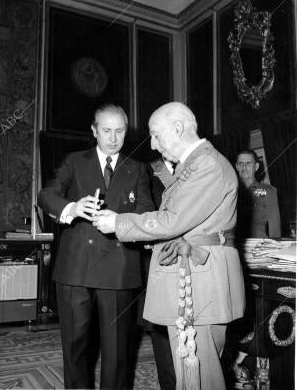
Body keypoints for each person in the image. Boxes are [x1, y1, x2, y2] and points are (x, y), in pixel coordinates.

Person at [93, 102, 246, 390]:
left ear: (177, 128)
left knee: (200, 375)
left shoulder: (207, 164)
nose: (152, 144)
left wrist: (120, 223)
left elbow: (173, 220)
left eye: (156, 135)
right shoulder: (193, 164)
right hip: (194, 279)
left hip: (200, 284)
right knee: (192, 371)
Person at [38, 104, 154, 389]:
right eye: (106, 130)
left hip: (118, 271)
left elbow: (147, 210)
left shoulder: (138, 169)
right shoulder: (75, 161)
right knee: (75, 347)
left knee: (117, 352)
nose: (113, 138)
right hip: (75, 270)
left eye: (120, 131)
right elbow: (47, 194)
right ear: (94, 130)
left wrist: (120, 221)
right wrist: (73, 207)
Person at [139, 157, 176, 390]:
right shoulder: (147, 171)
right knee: (162, 332)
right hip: (159, 260)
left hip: (194, 261)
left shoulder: (198, 167)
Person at [235, 150, 281, 238]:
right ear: (237, 167)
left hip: (258, 245)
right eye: (240, 163)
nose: (244, 167)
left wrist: (274, 247)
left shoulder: (267, 191)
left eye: (248, 163)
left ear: (256, 166)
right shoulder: (230, 190)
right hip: (235, 245)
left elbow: (274, 223)